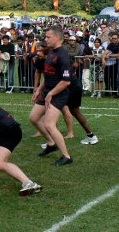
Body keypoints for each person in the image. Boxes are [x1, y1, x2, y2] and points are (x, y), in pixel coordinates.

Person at [29, 26, 74, 165]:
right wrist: (39, 90)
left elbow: (66, 82)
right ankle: (51, 143)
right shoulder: (51, 52)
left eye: (48, 37)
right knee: (34, 118)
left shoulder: (63, 55)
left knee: (49, 124)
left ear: (57, 37)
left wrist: (51, 94)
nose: (46, 39)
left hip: (58, 94)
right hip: (47, 91)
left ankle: (66, 156)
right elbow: (47, 74)